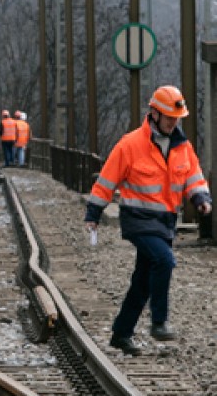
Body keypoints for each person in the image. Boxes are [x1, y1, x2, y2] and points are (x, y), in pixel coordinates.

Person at [84, 85, 212, 356]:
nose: (173, 123)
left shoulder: (182, 147)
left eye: (176, 119)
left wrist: (200, 198)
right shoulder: (130, 145)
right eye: (168, 118)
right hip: (138, 221)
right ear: (154, 114)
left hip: (165, 222)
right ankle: (159, 322)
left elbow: (193, 176)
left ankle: (121, 333)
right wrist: (93, 214)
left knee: (143, 280)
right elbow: (107, 180)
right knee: (164, 260)